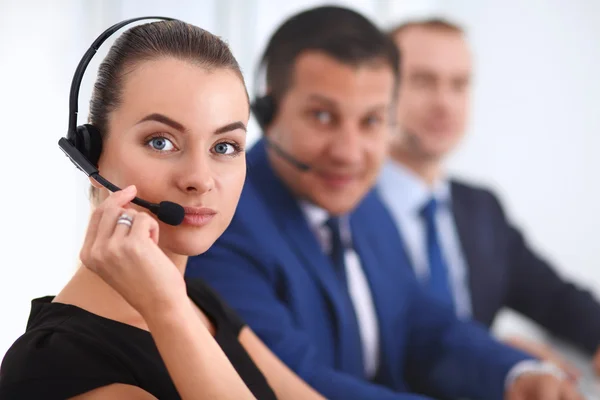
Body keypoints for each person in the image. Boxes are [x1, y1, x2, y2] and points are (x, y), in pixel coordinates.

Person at [186, 6, 583, 400]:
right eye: (323, 116)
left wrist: (516, 374)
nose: (349, 153)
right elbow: (293, 381)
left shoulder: (365, 205)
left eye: (372, 120)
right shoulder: (221, 222)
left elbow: (418, 325)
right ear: (268, 112)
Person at [0, 18, 327, 400]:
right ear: (91, 154)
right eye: (161, 142)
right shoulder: (57, 368)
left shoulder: (200, 302)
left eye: (224, 147)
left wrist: (172, 304)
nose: (199, 179)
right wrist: (166, 307)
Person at [378, 17, 600, 378]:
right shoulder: (345, 208)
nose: (444, 103)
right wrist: (500, 359)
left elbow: (557, 299)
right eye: (422, 81)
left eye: (459, 84)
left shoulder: (480, 208)